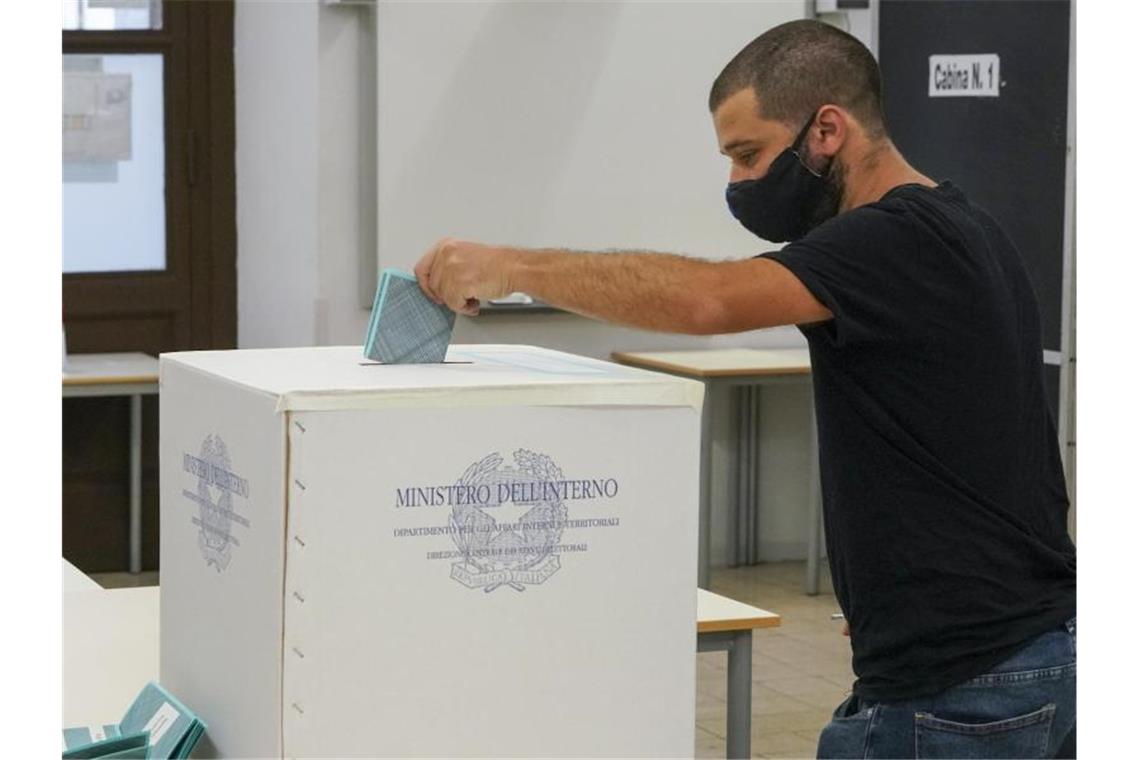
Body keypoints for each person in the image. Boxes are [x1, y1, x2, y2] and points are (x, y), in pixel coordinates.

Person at [414, 19, 1076, 759]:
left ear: (827, 129)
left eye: (750, 154)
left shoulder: (892, 239)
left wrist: (514, 268)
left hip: (962, 687)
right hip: (1013, 651)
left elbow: (709, 301)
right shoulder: (966, 226)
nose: (738, 183)